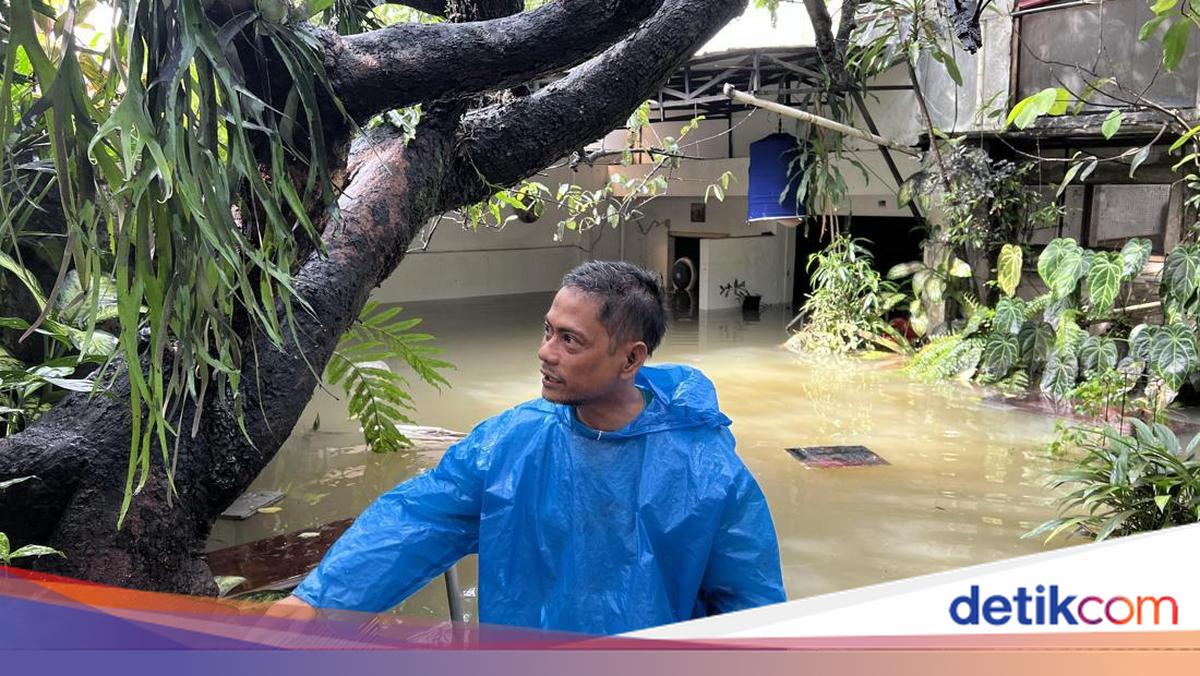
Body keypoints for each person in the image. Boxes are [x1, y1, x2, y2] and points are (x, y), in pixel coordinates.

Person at [268, 261, 785, 634]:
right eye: (547, 331)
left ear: (630, 360)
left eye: (569, 340)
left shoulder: (708, 472)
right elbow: (416, 518)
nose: (545, 352)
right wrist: (317, 599)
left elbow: (752, 604)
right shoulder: (511, 442)